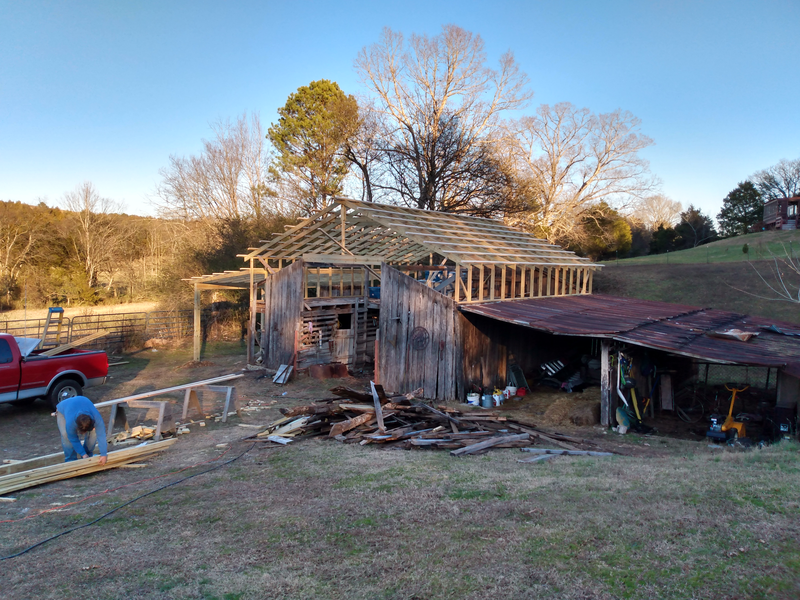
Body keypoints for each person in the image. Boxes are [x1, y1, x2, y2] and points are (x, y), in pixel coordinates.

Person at [56, 396, 108, 465]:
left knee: (94, 432)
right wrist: (82, 453)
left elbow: (101, 435)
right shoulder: (71, 422)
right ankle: (71, 460)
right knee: (66, 435)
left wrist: (104, 454)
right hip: (63, 408)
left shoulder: (96, 418)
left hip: (82, 402)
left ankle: (88, 455)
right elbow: (73, 438)